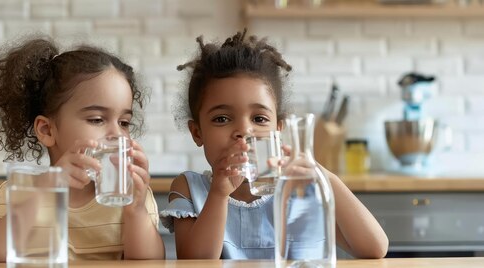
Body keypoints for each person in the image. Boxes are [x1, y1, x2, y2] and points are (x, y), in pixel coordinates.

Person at [160, 30, 388, 259]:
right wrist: (219, 194)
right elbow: (194, 262)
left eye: (259, 119)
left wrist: (320, 175)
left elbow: (374, 248)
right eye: (222, 119)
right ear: (197, 132)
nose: (244, 131)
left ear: (278, 130)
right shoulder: (188, 188)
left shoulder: (297, 191)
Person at [0, 36, 165, 261]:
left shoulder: (131, 196)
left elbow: (151, 263)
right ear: (47, 130)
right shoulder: (16, 192)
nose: (117, 134)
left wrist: (135, 211)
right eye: (97, 119)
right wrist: (48, 187)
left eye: (124, 122)